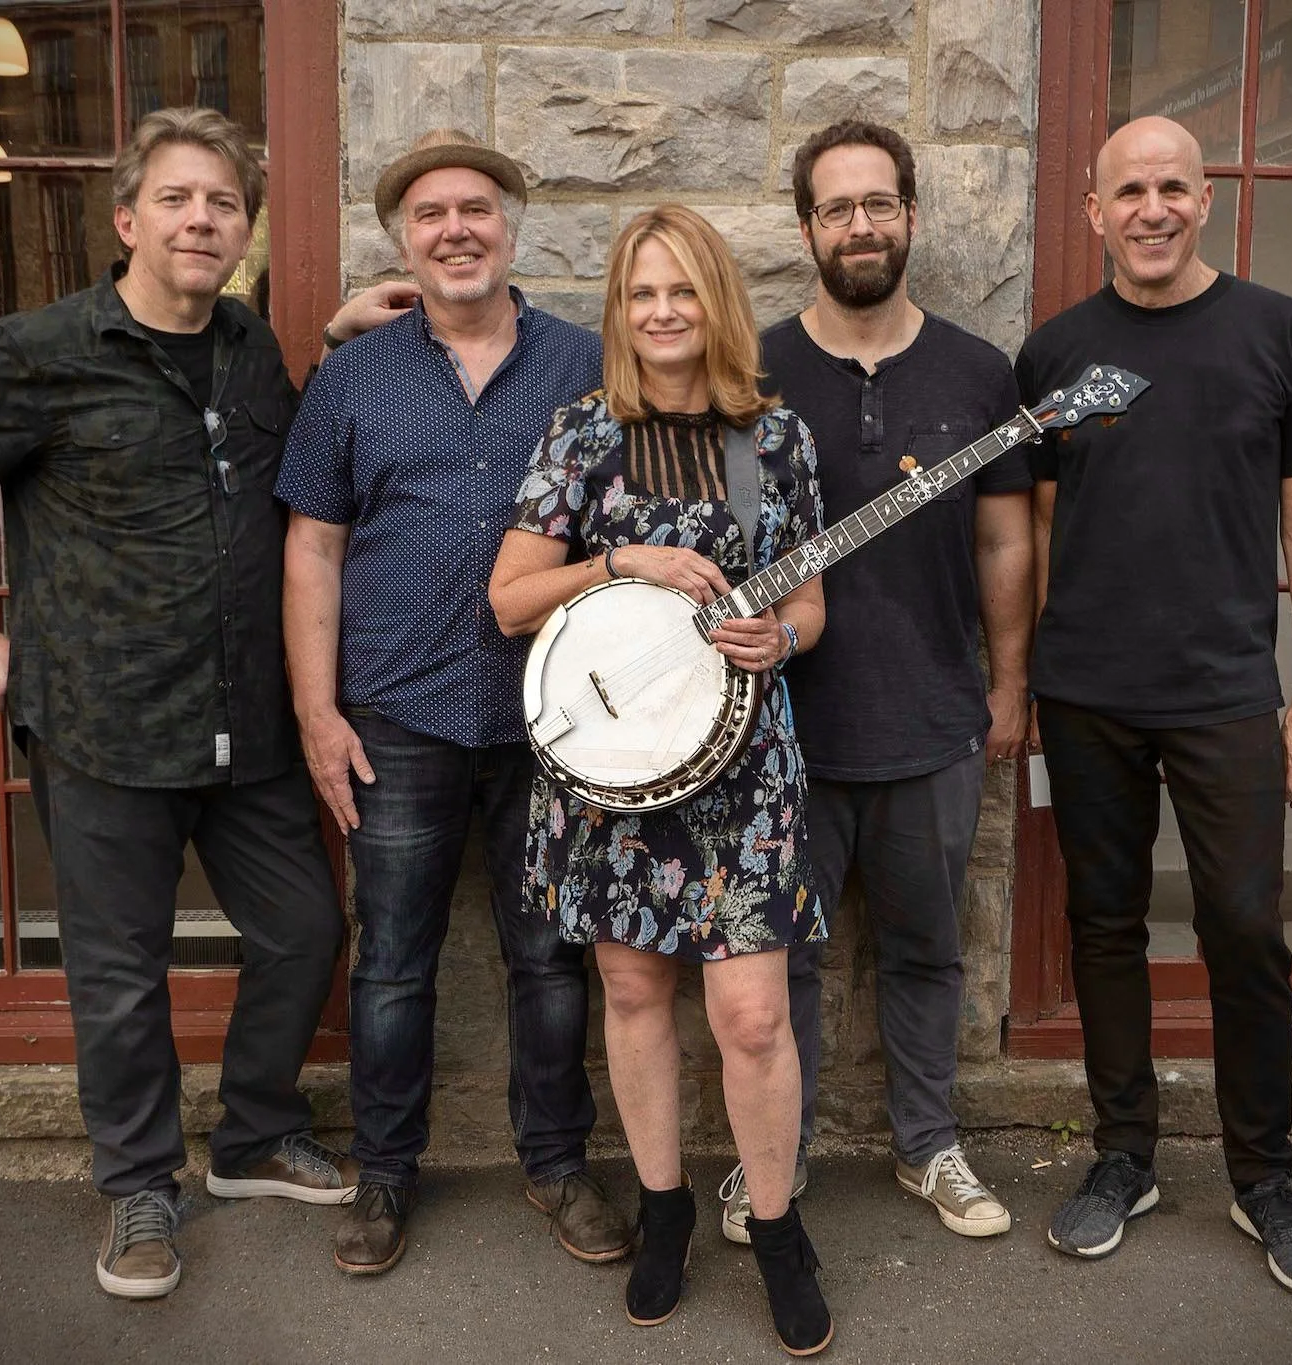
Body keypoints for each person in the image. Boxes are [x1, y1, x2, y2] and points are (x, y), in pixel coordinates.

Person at [0, 108, 348, 1300]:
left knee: (302, 933)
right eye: (180, 199)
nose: (203, 219)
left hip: (247, 724)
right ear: (129, 219)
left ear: (243, 232)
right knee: (121, 974)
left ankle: (250, 1137)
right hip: (101, 723)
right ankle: (139, 1187)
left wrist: (339, 342)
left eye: (225, 204)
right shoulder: (46, 351)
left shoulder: (249, 348)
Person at [1014, 115, 1292, 1296]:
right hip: (1086, 694)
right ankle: (1124, 1155)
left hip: (1224, 694)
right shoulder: (1054, 353)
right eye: (1128, 190)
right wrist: (1019, 677)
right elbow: (1045, 529)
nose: (1150, 208)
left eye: (1172, 187)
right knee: (1103, 927)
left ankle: (1262, 1175)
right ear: (1092, 210)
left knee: (1242, 928)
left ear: (1203, 200)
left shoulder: (1280, 333)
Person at [277, 130, 632, 1276]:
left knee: (548, 957)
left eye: (475, 208)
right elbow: (312, 553)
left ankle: (557, 1165)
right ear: (402, 242)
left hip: (557, 722)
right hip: (396, 715)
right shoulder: (351, 380)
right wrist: (316, 713)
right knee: (391, 963)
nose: (455, 230)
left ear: (512, 226)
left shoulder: (587, 364)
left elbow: (634, 531)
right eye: (429, 216)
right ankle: (383, 1179)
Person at [489, 205, 834, 1356]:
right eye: (640, 294)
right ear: (619, 312)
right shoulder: (584, 433)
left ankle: (777, 1228)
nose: (661, 311)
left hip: (745, 775)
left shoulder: (772, 437)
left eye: (680, 290)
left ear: (715, 302)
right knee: (633, 997)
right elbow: (508, 599)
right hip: (612, 773)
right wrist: (620, 559)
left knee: (748, 1014)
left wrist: (777, 641)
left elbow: (809, 600)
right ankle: (665, 1214)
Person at [716, 120, 1034, 1247]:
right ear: (806, 227)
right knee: (779, 958)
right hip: (780, 733)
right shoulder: (749, 373)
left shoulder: (975, 371)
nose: (861, 225)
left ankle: (926, 1147)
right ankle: (775, 1156)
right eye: (838, 207)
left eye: (879, 204)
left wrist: (1006, 687)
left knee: (924, 949)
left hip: (934, 719)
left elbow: (1004, 545)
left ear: (908, 217)